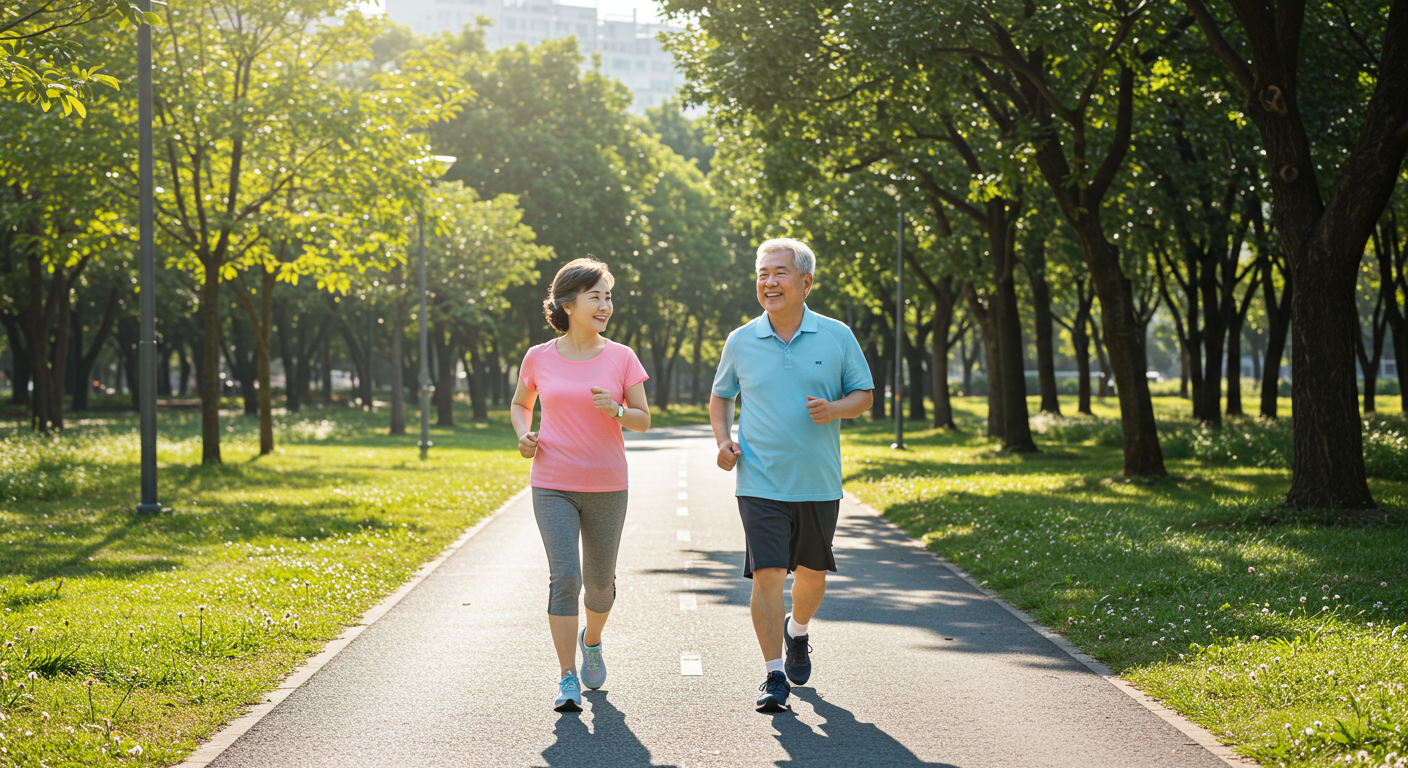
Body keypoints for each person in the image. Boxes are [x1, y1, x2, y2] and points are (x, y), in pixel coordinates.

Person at [710, 238, 874, 713]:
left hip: (818, 481)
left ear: (805, 281)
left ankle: (797, 630)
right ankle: (773, 674)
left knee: (812, 575)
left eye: (779, 273)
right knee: (767, 576)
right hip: (759, 480)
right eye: (762, 274)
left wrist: (835, 409)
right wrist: (723, 441)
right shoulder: (741, 339)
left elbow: (863, 395)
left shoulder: (837, 335)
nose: (769, 282)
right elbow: (722, 397)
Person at [511, 258, 651, 712]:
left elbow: (644, 420)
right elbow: (520, 404)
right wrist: (524, 435)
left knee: (600, 586)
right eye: (596, 296)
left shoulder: (622, 357)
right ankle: (567, 675)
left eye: (608, 296)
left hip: (607, 485)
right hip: (552, 482)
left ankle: (593, 641)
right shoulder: (539, 357)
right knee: (564, 577)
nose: (605, 305)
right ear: (569, 303)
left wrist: (616, 410)